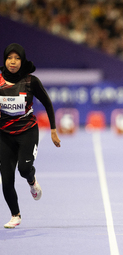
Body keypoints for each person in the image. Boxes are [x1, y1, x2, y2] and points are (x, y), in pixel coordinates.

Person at [0, 43, 61, 228]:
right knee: (6, 177)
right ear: (5, 60)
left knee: (24, 169)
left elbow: (47, 103)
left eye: (17, 58)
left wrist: (53, 130)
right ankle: (15, 215)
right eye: (9, 58)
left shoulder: (31, 81)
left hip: (27, 131)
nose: (13, 62)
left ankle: (32, 182)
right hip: (4, 135)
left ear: (22, 60)